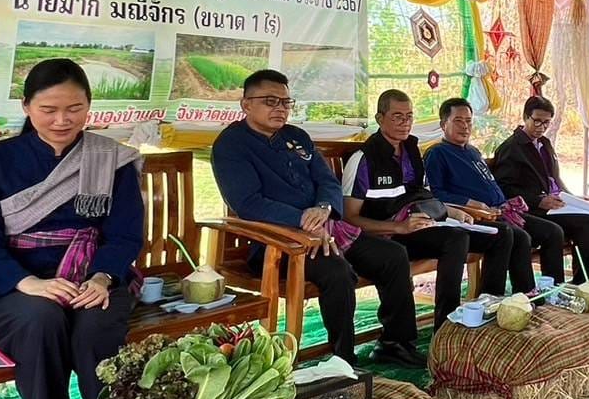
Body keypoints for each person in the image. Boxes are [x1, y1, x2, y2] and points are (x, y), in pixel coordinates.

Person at [0, 58, 144, 399]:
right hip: (15, 286)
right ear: (26, 107)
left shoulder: (112, 159)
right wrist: (28, 283)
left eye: (74, 108)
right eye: (48, 109)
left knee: (93, 328)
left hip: (94, 278)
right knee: (41, 319)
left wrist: (102, 277)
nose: (62, 120)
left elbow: (125, 236)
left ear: (89, 107)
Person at [212, 70, 423, 369]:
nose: (280, 108)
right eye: (270, 101)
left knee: (393, 255)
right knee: (337, 271)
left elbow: (327, 182)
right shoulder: (231, 145)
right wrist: (303, 220)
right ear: (246, 104)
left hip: (329, 230)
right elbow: (248, 203)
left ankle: (395, 344)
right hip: (276, 244)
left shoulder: (296, 136)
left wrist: (323, 208)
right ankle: (344, 359)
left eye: (286, 102)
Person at [341, 90, 482, 331]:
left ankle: (445, 324)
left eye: (409, 116)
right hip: (378, 235)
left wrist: (450, 212)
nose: (405, 123)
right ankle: (398, 340)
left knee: (457, 237)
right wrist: (397, 227)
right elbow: (349, 218)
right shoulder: (364, 158)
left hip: (409, 228)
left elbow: (420, 196)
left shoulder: (411, 151)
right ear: (379, 118)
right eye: (397, 116)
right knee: (395, 254)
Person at [490, 95, 589, 283]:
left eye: (546, 122)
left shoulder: (544, 143)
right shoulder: (512, 148)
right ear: (525, 117)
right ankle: (586, 282)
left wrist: (576, 200)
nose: (541, 127)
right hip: (536, 209)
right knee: (587, 222)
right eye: (537, 121)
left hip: (559, 203)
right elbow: (504, 189)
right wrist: (538, 201)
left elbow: (555, 180)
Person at [424, 96, 548, 291]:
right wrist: (472, 204)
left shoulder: (472, 151)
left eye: (468, 121)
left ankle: (526, 295)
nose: (465, 126)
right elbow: (436, 195)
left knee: (538, 233)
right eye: (458, 121)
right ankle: (492, 296)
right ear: (443, 124)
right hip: (470, 217)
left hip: (500, 212)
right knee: (506, 234)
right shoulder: (437, 154)